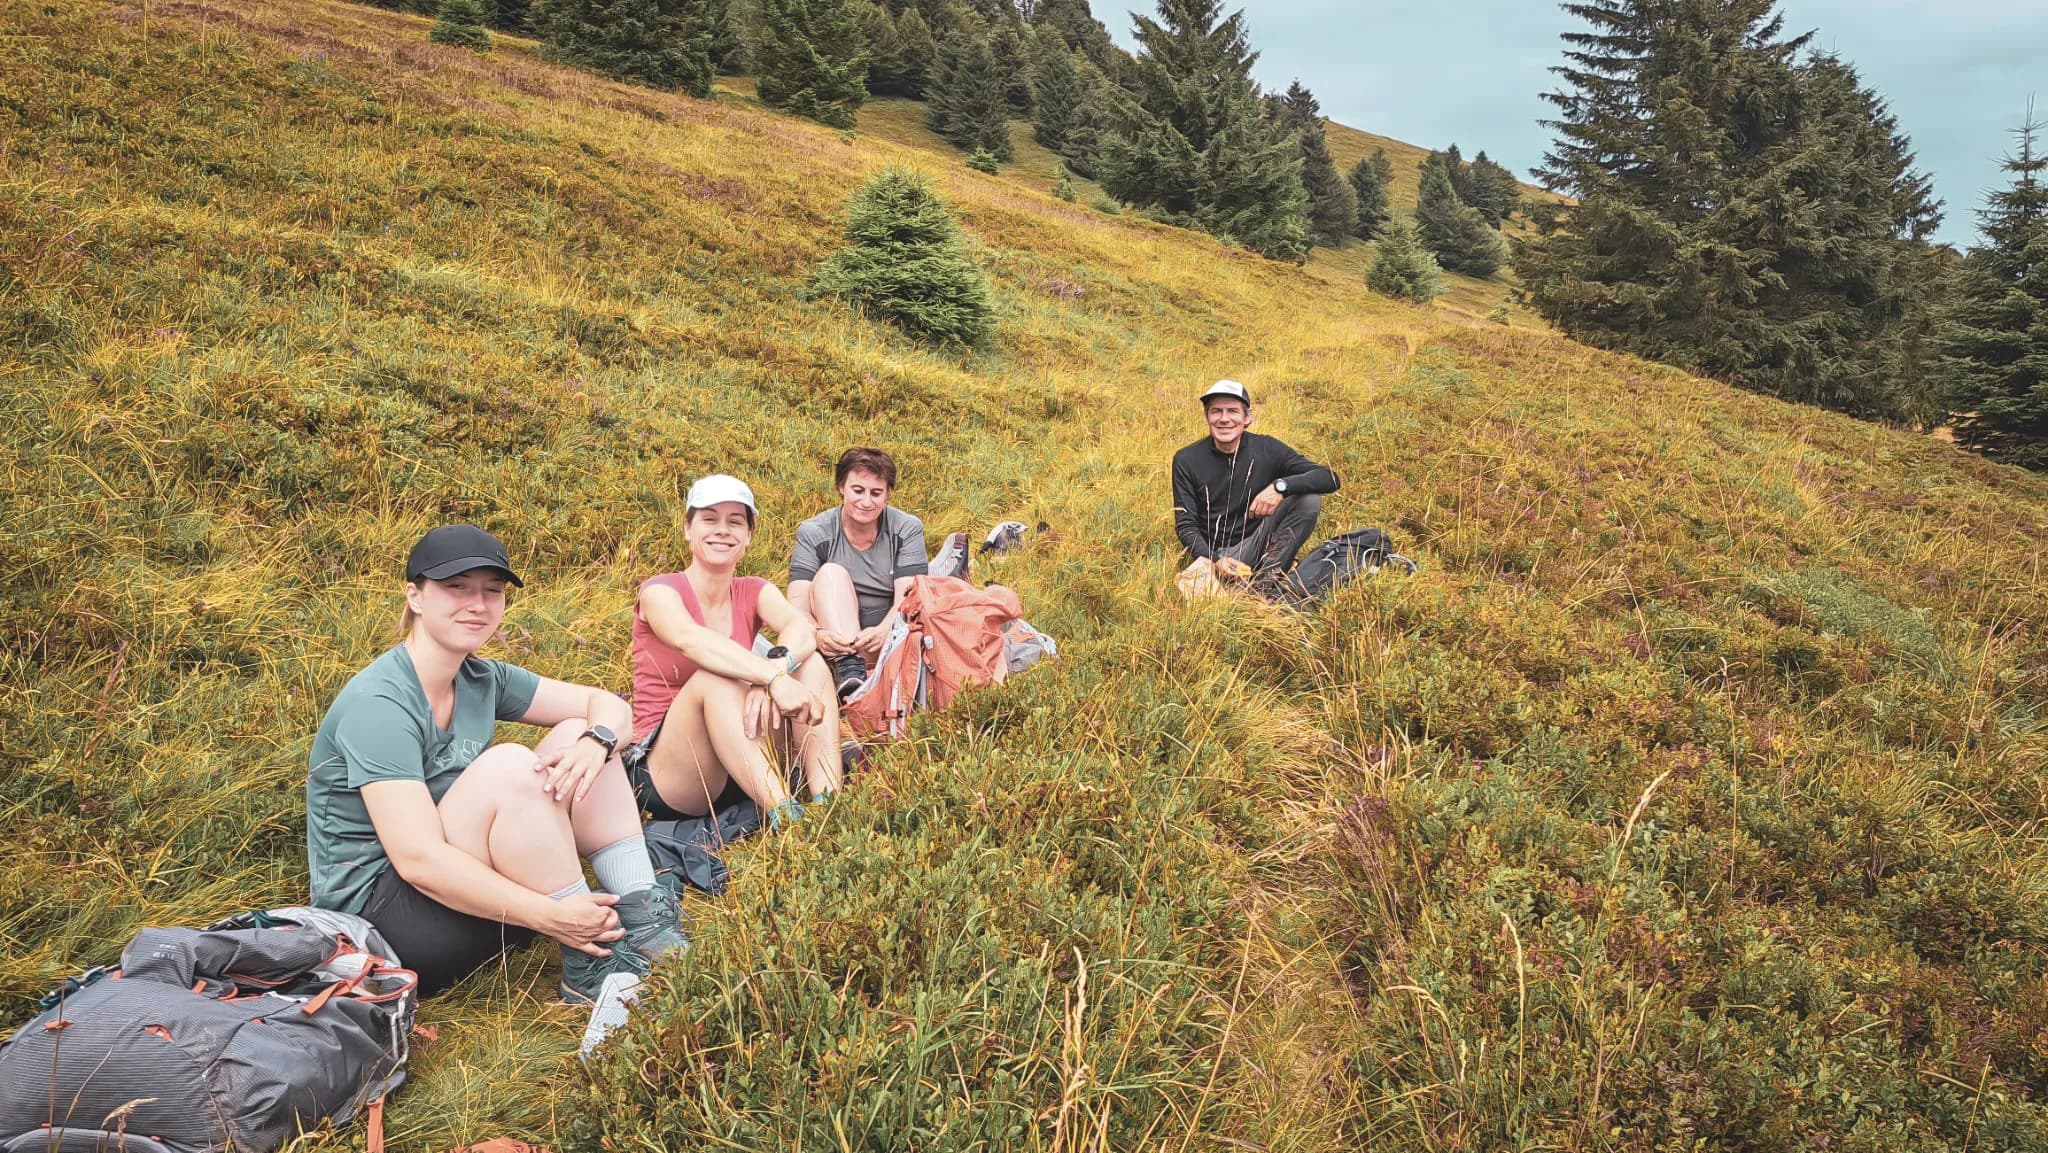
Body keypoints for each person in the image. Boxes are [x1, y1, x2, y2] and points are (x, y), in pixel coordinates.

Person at [306, 524, 685, 1003]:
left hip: (470, 898)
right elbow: (417, 859)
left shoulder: (481, 678)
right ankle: (588, 955)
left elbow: (606, 705)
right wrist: (550, 917)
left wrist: (598, 741)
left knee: (580, 732)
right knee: (510, 766)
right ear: (415, 597)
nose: (478, 604)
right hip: (387, 926)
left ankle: (643, 916)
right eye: (456, 587)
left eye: (492, 591)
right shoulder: (380, 705)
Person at [623, 475, 844, 834]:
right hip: (674, 771)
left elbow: (800, 627)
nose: (722, 530)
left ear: (749, 535)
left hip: (742, 756)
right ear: (688, 529)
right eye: (709, 519)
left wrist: (777, 667)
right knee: (715, 679)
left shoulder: (754, 590)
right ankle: (788, 820)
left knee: (812, 665)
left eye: (735, 522)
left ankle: (828, 801)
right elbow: (692, 641)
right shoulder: (659, 592)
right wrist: (771, 678)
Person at [786, 447, 932, 701]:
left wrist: (884, 630)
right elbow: (795, 605)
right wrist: (818, 634)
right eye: (858, 490)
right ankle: (850, 672)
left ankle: (863, 683)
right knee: (830, 574)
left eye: (876, 493)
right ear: (841, 487)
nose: (866, 502)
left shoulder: (906, 529)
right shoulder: (814, 532)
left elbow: (910, 597)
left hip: (888, 639)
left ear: (887, 495)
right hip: (833, 645)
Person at [1171, 379, 1340, 588]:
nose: (1224, 419)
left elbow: (1330, 478)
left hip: (1257, 542)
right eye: (1216, 411)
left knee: (1308, 500)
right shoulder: (1186, 459)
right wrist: (1214, 559)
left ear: (1247, 417)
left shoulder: (1268, 448)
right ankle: (1233, 584)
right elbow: (1185, 525)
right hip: (1214, 556)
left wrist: (1280, 487)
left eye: (1233, 411)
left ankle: (1264, 583)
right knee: (1195, 592)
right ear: (1207, 417)